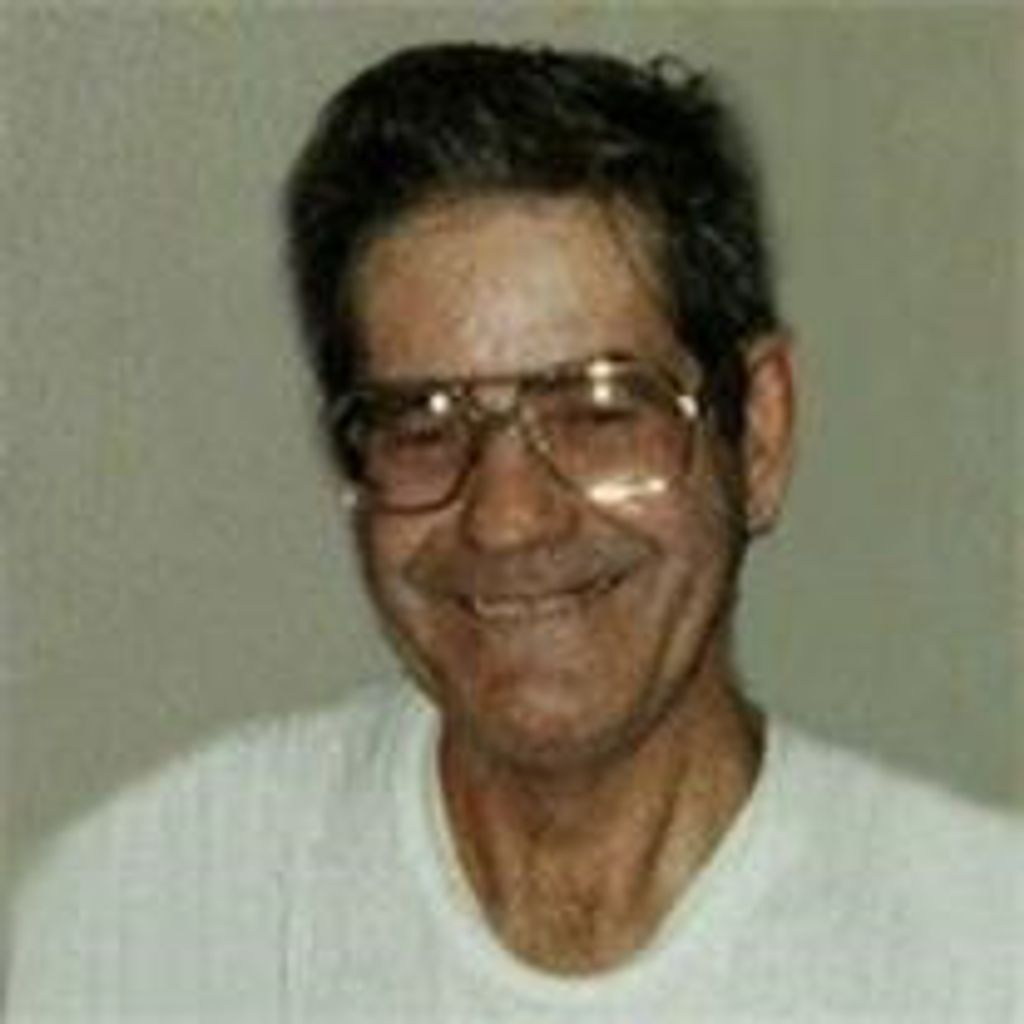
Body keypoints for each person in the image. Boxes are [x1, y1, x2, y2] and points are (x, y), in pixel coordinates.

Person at [7, 42, 1020, 1022]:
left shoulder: (981, 952)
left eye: (598, 411)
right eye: (422, 424)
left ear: (757, 431)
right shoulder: (149, 918)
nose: (506, 517)